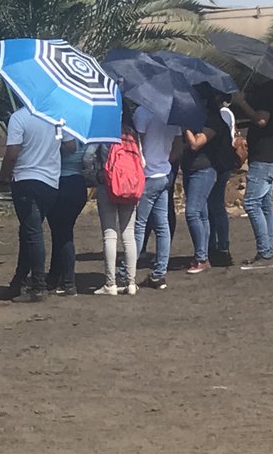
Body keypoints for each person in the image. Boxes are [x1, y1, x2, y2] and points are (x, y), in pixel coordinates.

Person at [0, 106, 61, 303]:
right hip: (51, 182)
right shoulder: (56, 116)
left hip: (26, 180)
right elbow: (70, 146)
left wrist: (3, 174)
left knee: (33, 234)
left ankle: (38, 286)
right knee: (27, 231)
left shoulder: (18, 118)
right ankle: (19, 281)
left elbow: (12, 154)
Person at [236, 81, 273, 269]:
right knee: (264, 205)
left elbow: (261, 120)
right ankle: (266, 250)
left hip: (263, 158)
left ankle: (264, 252)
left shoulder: (266, 95)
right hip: (272, 157)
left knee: (252, 203)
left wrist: (241, 102)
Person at [84, 105, 143, 296]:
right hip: (131, 187)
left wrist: (96, 175)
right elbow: (141, 161)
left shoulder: (103, 132)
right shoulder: (132, 133)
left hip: (108, 186)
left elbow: (87, 157)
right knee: (129, 235)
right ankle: (131, 282)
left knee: (110, 235)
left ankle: (110, 283)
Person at [131, 104, 181, 290]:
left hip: (148, 175)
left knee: (139, 225)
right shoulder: (170, 112)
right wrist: (165, 160)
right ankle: (159, 274)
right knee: (162, 226)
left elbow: (137, 144)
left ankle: (127, 273)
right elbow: (178, 146)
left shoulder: (142, 112)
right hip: (164, 174)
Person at [181, 85, 229, 275]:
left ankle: (205, 256)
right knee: (202, 213)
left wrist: (184, 125)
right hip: (191, 169)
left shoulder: (212, 121)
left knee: (193, 212)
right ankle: (204, 253)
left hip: (205, 170)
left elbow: (195, 144)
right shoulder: (198, 119)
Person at [45, 138, 87, 296]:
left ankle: (69, 282)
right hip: (78, 181)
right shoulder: (83, 129)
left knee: (62, 234)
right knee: (60, 233)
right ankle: (54, 277)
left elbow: (70, 147)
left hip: (60, 181)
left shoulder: (62, 129)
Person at [207, 95, 242, 267]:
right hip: (225, 162)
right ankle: (221, 245)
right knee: (216, 206)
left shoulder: (216, 116)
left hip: (216, 162)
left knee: (213, 206)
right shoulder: (227, 113)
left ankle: (218, 246)